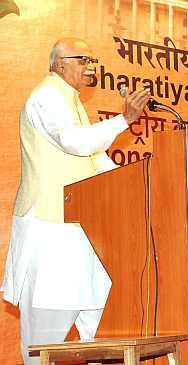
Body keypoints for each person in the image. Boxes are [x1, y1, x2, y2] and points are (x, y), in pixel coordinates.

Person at [1, 38, 150, 365]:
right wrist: (123, 121)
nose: (90, 67)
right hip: (50, 233)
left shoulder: (74, 104)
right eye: (83, 60)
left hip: (82, 236)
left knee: (101, 330)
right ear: (59, 64)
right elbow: (73, 143)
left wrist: (145, 179)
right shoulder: (46, 97)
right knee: (44, 345)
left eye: (92, 60)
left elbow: (96, 161)